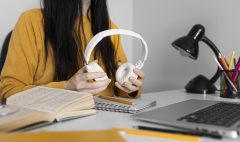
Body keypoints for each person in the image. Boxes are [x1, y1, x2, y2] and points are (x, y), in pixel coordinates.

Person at [0, 0, 144, 100]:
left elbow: (120, 89)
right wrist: (66, 88)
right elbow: (8, 91)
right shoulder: (32, 21)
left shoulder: (111, 29)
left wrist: (130, 87)